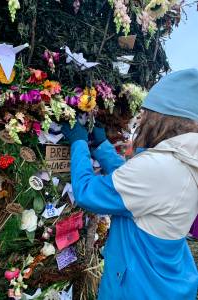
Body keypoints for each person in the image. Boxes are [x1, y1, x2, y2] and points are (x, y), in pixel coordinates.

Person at [62, 69, 198, 300]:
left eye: (146, 113)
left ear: (163, 117)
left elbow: (86, 192)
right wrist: (103, 146)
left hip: (138, 287)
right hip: (164, 280)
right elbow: (135, 185)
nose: (141, 119)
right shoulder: (183, 160)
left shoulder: (159, 168)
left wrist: (78, 143)